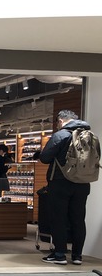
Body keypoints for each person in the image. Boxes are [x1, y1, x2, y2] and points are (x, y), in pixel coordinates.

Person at [39, 109, 96, 265]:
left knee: (59, 218)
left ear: (61, 121)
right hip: (83, 183)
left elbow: (45, 158)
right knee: (78, 219)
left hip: (60, 182)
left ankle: (59, 255)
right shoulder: (90, 136)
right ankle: (77, 256)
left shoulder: (61, 135)